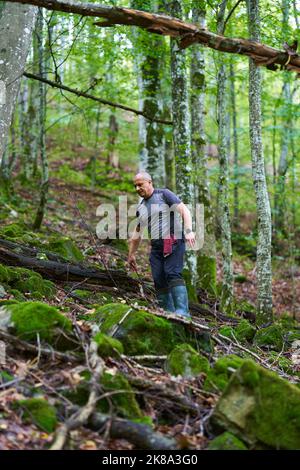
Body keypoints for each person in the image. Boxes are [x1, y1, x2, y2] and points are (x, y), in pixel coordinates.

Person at [127, 172, 196, 318]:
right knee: (158, 278)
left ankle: (183, 312)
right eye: (135, 186)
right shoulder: (141, 208)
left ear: (150, 182)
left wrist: (189, 230)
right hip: (157, 247)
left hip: (173, 240)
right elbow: (137, 233)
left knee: (172, 273)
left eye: (140, 184)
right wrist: (131, 254)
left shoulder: (164, 194)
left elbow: (184, 210)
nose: (137, 188)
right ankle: (167, 313)